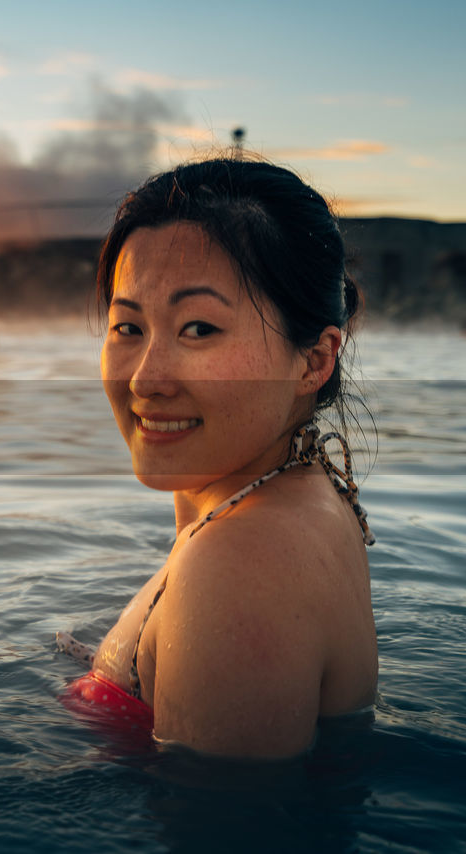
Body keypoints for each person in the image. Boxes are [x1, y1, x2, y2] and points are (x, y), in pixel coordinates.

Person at [62, 157, 377, 759]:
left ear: (313, 360)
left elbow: (223, 824)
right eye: (128, 327)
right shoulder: (293, 499)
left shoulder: (241, 561)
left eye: (199, 329)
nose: (147, 379)